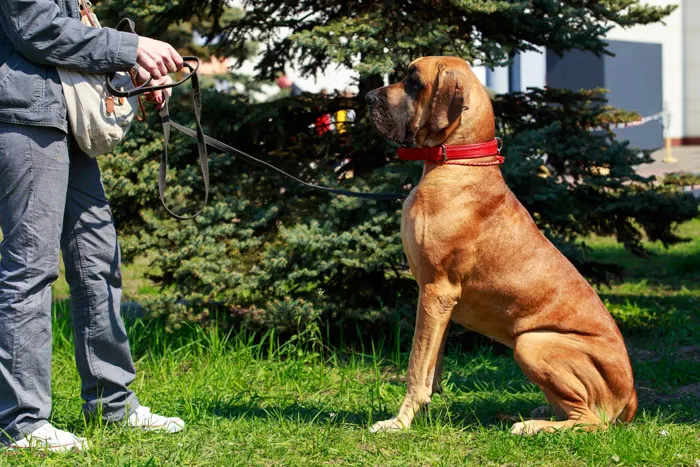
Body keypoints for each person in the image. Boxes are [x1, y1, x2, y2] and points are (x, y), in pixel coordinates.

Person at [0, 0, 187, 452]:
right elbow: (36, 28)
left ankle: (112, 405)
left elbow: (70, 34)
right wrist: (131, 47)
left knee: (96, 260)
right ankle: (21, 424)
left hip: (66, 116)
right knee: (31, 267)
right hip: (26, 114)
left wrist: (129, 74)